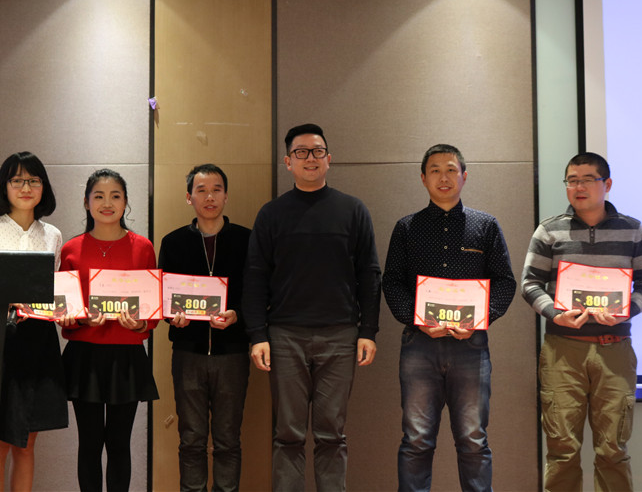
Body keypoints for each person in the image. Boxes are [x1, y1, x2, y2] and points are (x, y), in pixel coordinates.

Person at [242, 123, 382, 492]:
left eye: (317, 151)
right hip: (284, 335)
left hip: (340, 335)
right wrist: (258, 335)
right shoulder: (271, 214)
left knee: (332, 434)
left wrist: (368, 331)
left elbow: (369, 275)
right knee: (287, 434)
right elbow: (254, 277)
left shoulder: (353, 210)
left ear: (329, 159)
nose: (310, 158)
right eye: (301, 152)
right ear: (288, 162)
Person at [521, 152, 642, 492]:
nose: (578, 187)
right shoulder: (549, 230)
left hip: (615, 351)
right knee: (562, 450)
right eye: (572, 180)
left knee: (613, 450)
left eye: (587, 180)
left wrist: (626, 311)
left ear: (606, 184)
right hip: (562, 352)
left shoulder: (632, 230)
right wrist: (555, 313)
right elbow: (529, 284)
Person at [382, 144, 516, 492]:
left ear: (464, 176)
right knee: (416, 439)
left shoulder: (485, 225)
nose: (444, 177)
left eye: (451, 170)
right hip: (419, 345)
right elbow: (392, 282)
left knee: (473, 439)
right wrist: (416, 319)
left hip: (470, 346)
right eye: (435, 170)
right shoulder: (406, 227)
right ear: (423, 178)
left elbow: (505, 281)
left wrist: (481, 318)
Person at [0, 151, 68, 492]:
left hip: (40, 342)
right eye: (17, 180)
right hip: (0, 343)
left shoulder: (53, 235)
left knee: (27, 443)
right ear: (4, 186)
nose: (26, 187)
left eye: (33, 180)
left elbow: (56, 290)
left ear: (43, 187)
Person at [57, 169, 159, 492]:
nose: (107, 203)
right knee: (89, 443)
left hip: (126, 355)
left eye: (115, 196)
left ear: (126, 202)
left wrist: (141, 323)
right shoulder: (71, 249)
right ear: (86, 203)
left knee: (119, 443)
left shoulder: (143, 247)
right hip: (84, 356)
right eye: (98, 196)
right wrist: (80, 319)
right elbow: (64, 310)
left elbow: (153, 308)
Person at [158, 164, 252, 492]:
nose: (209, 197)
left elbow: (258, 293)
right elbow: (164, 296)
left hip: (233, 354)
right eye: (201, 190)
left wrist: (238, 315)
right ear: (189, 197)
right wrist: (173, 317)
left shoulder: (246, 240)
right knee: (191, 440)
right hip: (188, 353)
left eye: (216, 190)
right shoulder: (173, 242)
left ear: (226, 196)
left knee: (228, 440)